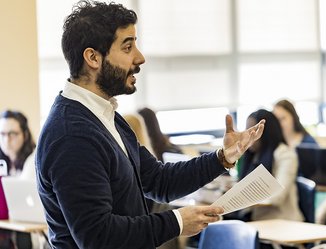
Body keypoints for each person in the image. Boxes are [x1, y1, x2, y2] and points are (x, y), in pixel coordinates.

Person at [35, 1, 265, 248]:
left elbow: (159, 181)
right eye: (127, 47)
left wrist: (221, 158)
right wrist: (176, 222)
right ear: (93, 57)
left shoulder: (104, 116)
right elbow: (98, 238)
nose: (140, 57)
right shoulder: (73, 136)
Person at [238, 109, 304, 222]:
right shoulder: (253, 155)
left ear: (266, 132)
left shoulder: (285, 155)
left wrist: (241, 198)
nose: (248, 137)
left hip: (282, 222)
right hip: (257, 221)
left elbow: (277, 197)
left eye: (252, 132)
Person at [0, 110, 36, 249]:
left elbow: (21, 206)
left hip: (31, 230)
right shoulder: (4, 164)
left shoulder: (33, 161)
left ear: (25, 135)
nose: (6, 140)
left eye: (12, 134)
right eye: (2, 134)